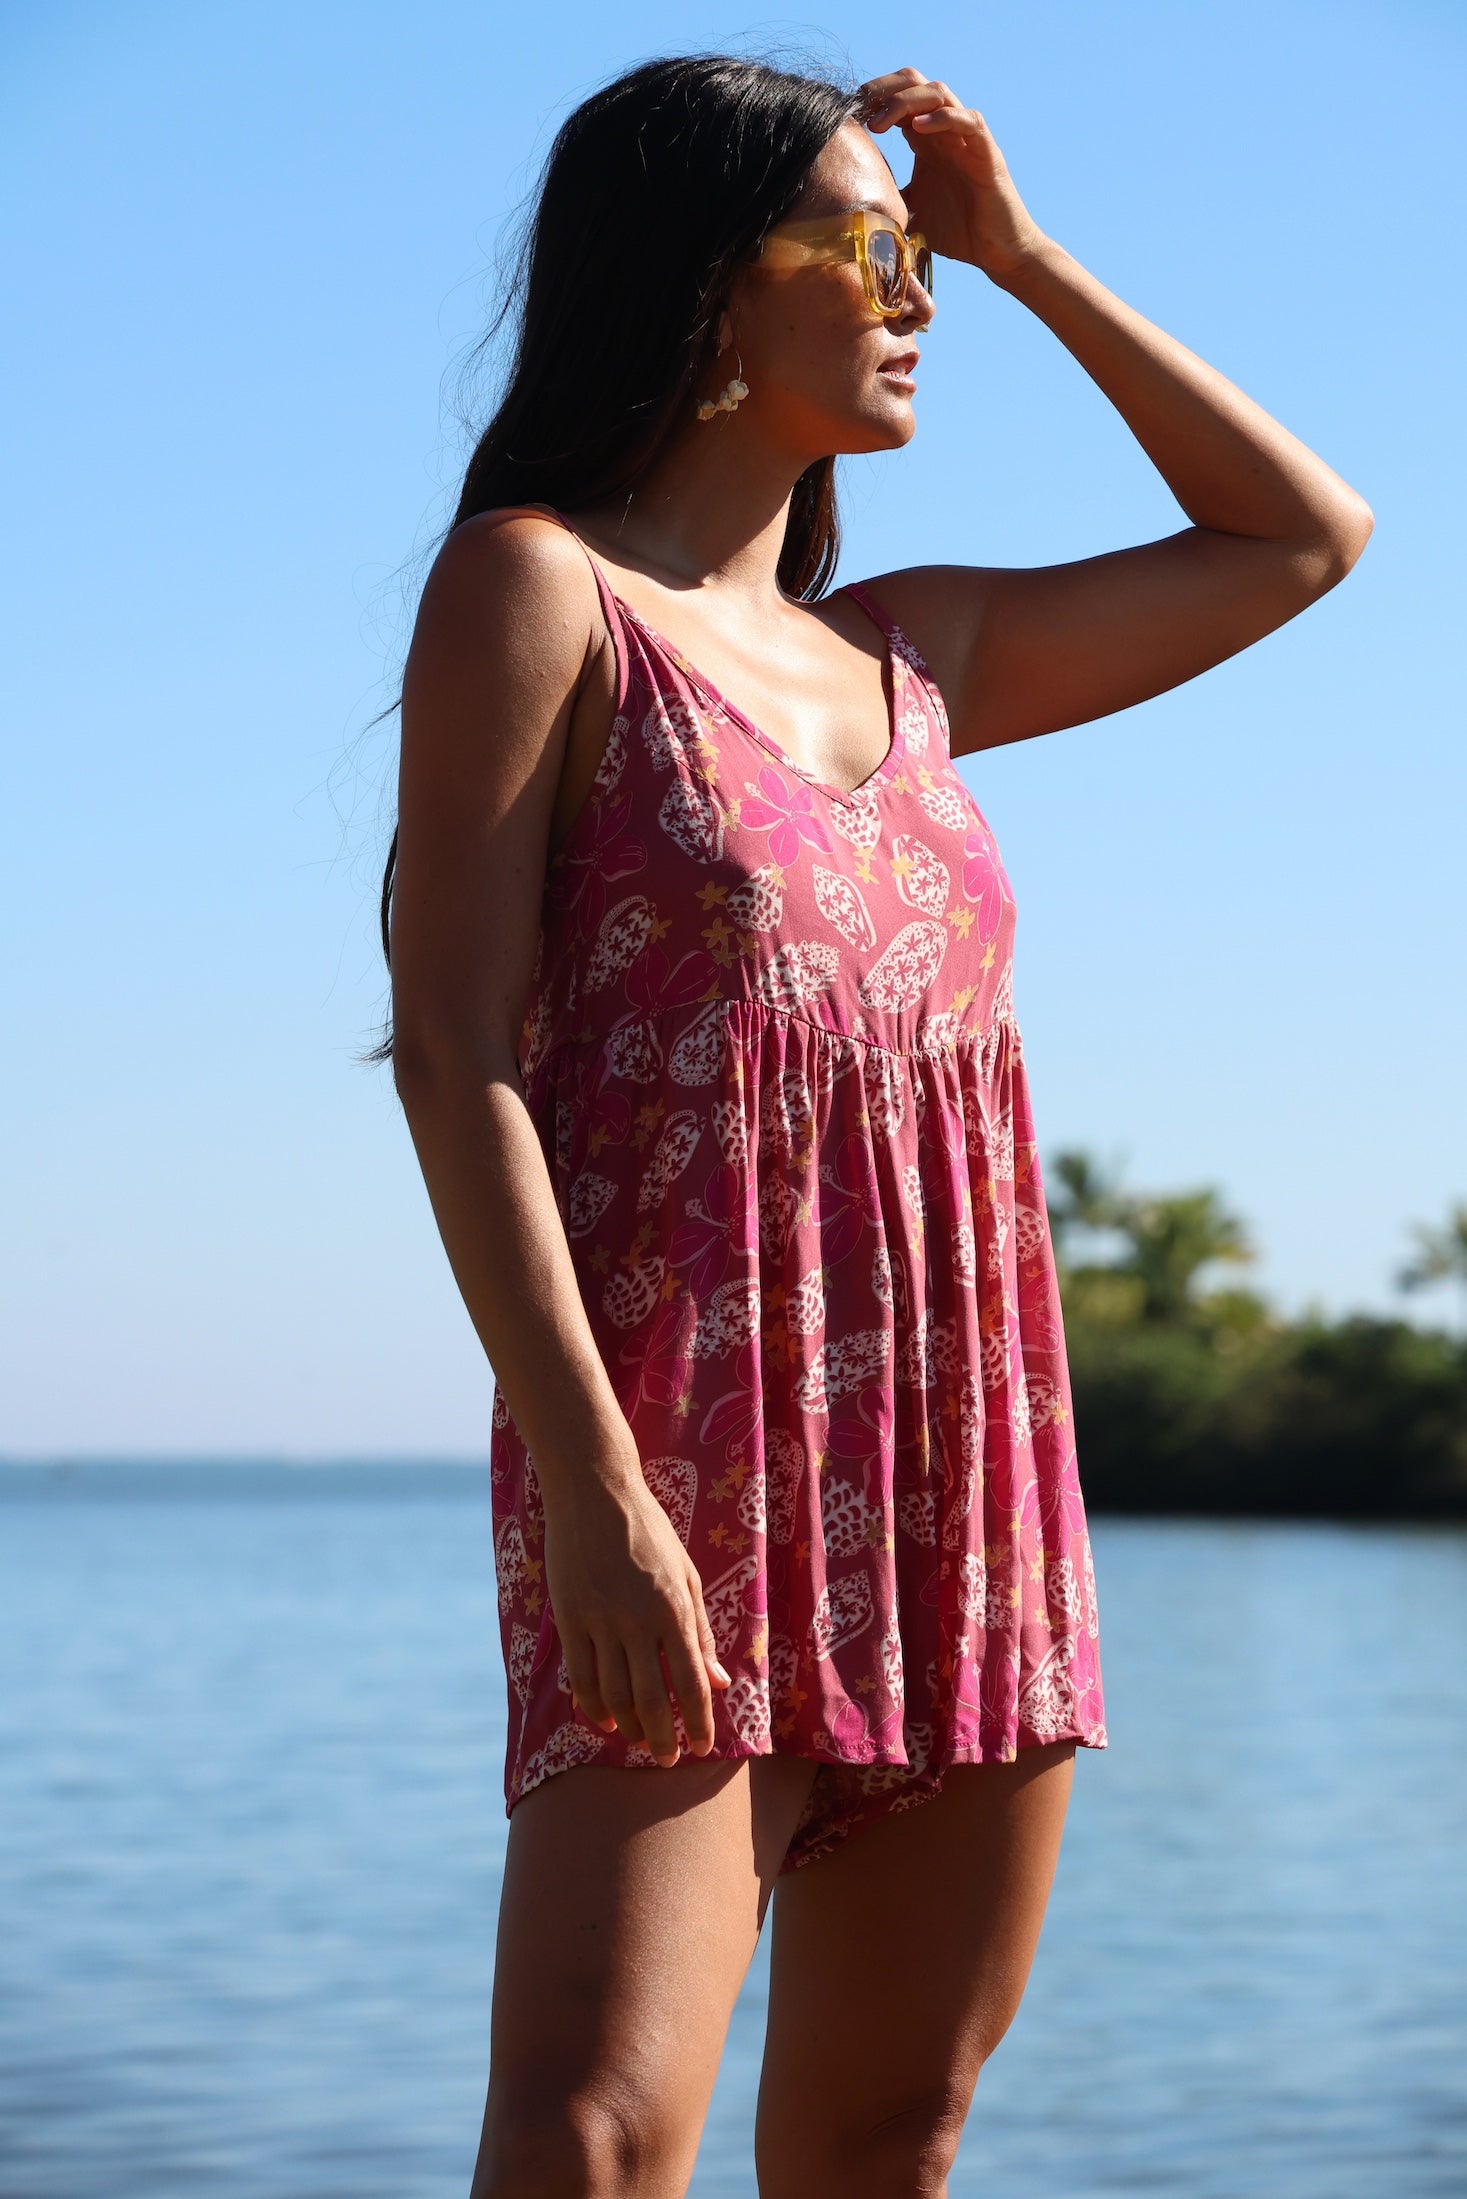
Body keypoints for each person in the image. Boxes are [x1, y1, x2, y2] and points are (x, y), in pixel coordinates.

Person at [379, 52, 1372, 2199]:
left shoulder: (913, 654)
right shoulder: (539, 594)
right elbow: (453, 1051)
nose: (916, 294)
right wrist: (593, 1488)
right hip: (683, 1456)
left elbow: (1302, 536)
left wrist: (1027, 253)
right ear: (705, 283)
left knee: (885, 2138)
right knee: (589, 2136)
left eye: (923, 253)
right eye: (868, 244)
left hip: (968, 1457)